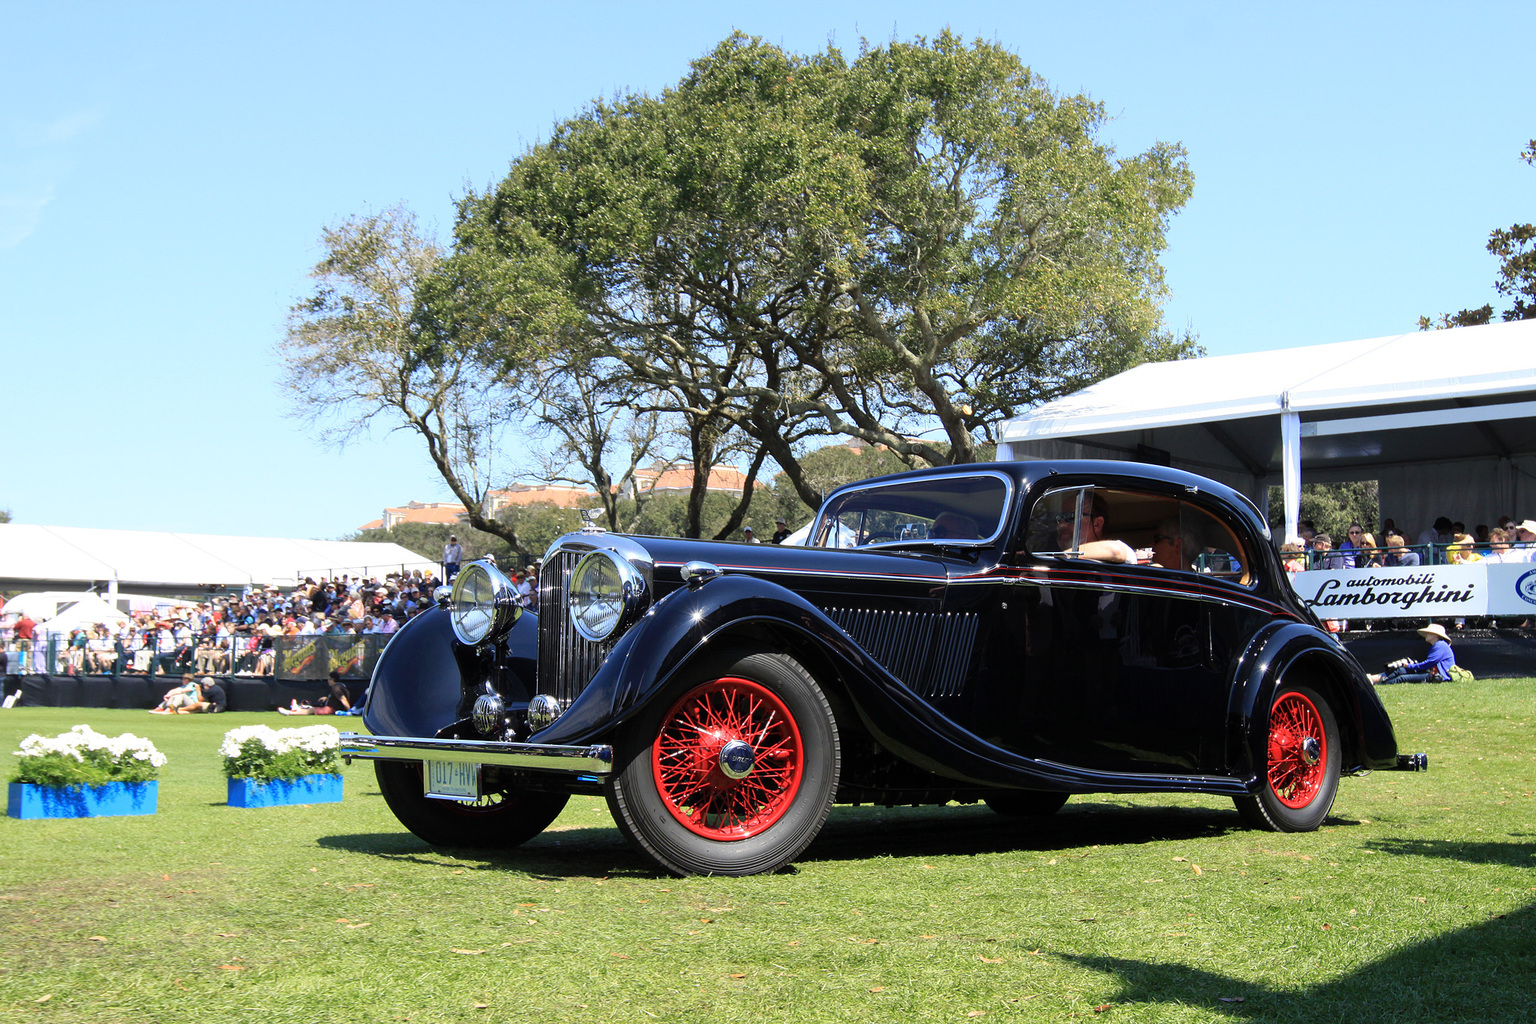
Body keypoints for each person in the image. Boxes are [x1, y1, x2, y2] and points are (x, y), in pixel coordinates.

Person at [1055, 495, 1135, 564]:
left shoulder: (1121, 552)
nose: (1061, 524)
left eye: (1071, 517)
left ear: (1097, 524)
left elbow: (1116, 551)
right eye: (1059, 518)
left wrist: (1060, 558)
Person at [1370, 624, 1457, 685]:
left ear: (1435, 635)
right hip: (1430, 672)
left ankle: (1381, 683)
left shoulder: (1440, 645)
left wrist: (1409, 666)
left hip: (1438, 676)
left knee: (1402, 678)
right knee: (1400, 671)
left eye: (1429, 633)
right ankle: (1376, 679)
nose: (1426, 634)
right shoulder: (1436, 645)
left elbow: (1429, 663)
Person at [280, 671, 352, 715]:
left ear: (332, 679)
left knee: (312, 710)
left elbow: (343, 699)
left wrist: (349, 712)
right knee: (312, 707)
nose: (328, 681)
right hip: (331, 708)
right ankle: (297, 709)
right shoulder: (339, 686)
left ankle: (290, 713)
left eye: (328, 679)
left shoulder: (336, 687)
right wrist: (326, 698)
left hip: (331, 709)